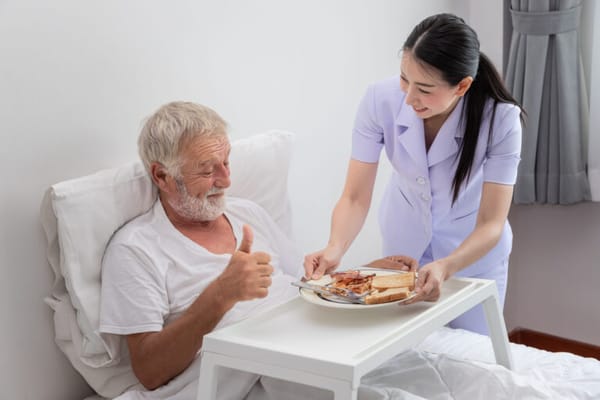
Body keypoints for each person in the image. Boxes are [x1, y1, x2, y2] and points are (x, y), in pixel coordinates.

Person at [304, 13, 524, 335]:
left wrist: (447, 267)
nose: (409, 98)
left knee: (473, 358)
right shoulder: (379, 99)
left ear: (462, 86)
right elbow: (354, 196)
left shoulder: (501, 120)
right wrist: (335, 247)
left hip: (472, 256)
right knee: (404, 351)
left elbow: (492, 222)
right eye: (404, 79)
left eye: (424, 88)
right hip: (402, 248)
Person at [99, 101, 303, 398]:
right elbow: (149, 371)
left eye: (227, 163)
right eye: (207, 171)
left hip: (310, 350)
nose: (225, 180)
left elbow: (307, 287)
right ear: (162, 176)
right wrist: (221, 294)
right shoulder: (136, 249)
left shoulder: (248, 213)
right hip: (254, 377)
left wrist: (361, 279)